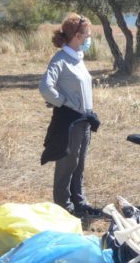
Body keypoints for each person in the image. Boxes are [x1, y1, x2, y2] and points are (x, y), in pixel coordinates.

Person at [39, 13, 101, 217]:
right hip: (70, 122)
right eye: (88, 34)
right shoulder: (61, 59)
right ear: (77, 36)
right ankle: (63, 207)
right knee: (66, 164)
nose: (90, 38)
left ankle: (79, 201)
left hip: (84, 122)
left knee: (79, 163)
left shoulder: (77, 58)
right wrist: (63, 102)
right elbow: (45, 87)